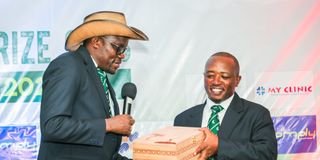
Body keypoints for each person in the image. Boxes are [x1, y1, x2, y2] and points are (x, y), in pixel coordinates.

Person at [38, 11, 148, 160]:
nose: (122, 55)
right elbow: (52, 126)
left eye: (124, 50)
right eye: (118, 48)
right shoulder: (68, 65)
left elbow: (101, 151)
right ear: (96, 42)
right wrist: (108, 125)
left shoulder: (98, 74)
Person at [174, 52, 277, 160]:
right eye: (210, 76)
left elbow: (268, 155)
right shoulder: (183, 119)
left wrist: (219, 146)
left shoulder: (257, 114)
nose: (216, 81)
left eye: (224, 76)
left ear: (237, 80)